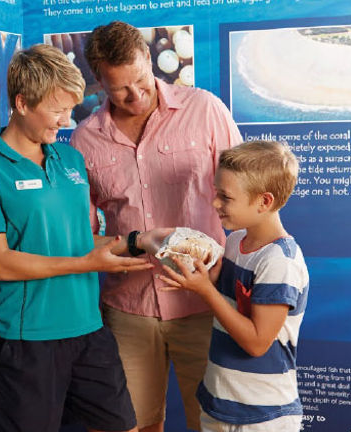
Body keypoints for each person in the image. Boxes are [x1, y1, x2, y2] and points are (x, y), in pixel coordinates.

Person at [0, 43, 170, 432]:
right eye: (58, 110)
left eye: (71, 109)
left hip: (88, 330)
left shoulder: (69, 159)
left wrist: (138, 240)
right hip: (25, 341)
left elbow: (77, 241)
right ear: (21, 103)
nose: (66, 120)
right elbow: (1, 264)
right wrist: (90, 264)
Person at [70, 21, 243, 432]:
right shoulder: (84, 141)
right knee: (131, 425)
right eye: (120, 89)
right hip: (128, 312)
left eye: (140, 81)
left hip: (204, 304)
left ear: (149, 60)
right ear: (99, 82)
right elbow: (80, 237)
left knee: (213, 424)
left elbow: (248, 197)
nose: (135, 95)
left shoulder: (205, 110)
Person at [160, 140, 308, 432]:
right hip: (220, 404)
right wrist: (202, 274)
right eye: (216, 193)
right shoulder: (233, 242)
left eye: (225, 197)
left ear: (264, 201)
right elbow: (229, 300)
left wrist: (205, 290)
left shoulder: (280, 262)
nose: (215, 203)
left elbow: (256, 342)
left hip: (262, 416)